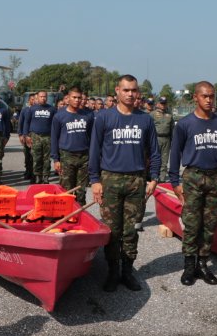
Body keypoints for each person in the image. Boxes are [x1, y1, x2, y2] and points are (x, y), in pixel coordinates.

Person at [90, 74, 160, 292]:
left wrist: (154, 178)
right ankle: (112, 271)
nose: (130, 94)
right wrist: (95, 180)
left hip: (136, 180)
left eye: (134, 90)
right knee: (112, 230)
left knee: (131, 230)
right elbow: (95, 150)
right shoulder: (103, 117)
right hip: (110, 179)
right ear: (117, 91)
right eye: (126, 90)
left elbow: (155, 152)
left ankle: (127, 271)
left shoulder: (145, 119)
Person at [169, 81, 217, 286]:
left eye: (212, 96)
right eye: (204, 96)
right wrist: (175, 182)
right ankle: (189, 265)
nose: (209, 100)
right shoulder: (185, 124)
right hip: (193, 177)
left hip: (214, 177)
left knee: (210, 222)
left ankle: (203, 264)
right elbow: (175, 154)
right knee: (192, 222)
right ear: (195, 97)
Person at [51, 87, 94, 205]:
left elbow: (92, 138)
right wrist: (55, 159)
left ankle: (80, 218)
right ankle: (66, 218)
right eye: (74, 97)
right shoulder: (59, 116)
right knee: (66, 191)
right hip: (66, 156)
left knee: (81, 191)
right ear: (68, 98)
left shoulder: (88, 115)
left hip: (84, 157)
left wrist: (93, 157)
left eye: (79, 98)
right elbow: (54, 138)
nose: (77, 100)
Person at [25, 91, 57, 184]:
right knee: (36, 158)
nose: (43, 98)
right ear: (37, 97)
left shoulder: (52, 109)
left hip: (47, 136)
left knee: (46, 158)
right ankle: (37, 176)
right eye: (41, 96)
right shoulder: (32, 109)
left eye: (45, 96)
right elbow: (27, 122)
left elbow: (55, 124)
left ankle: (46, 177)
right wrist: (26, 135)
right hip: (35, 136)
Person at [152, 97, 174, 182]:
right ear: (158, 104)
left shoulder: (169, 115)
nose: (163, 105)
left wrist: (173, 140)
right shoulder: (152, 114)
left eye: (164, 103)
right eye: (161, 103)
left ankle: (162, 177)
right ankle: (154, 176)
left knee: (164, 159)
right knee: (155, 158)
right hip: (156, 138)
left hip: (166, 139)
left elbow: (172, 128)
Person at [18, 94, 36, 182]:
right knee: (27, 155)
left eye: (35, 99)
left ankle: (34, 174)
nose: (34, 101)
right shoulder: (25, 110)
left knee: (35, 156)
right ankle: (28, 171)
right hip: (26, 135)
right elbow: (21, 123)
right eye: (32, 99)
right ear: (29, 100)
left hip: (36, 136)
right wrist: (21, 134)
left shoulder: (38, 110)